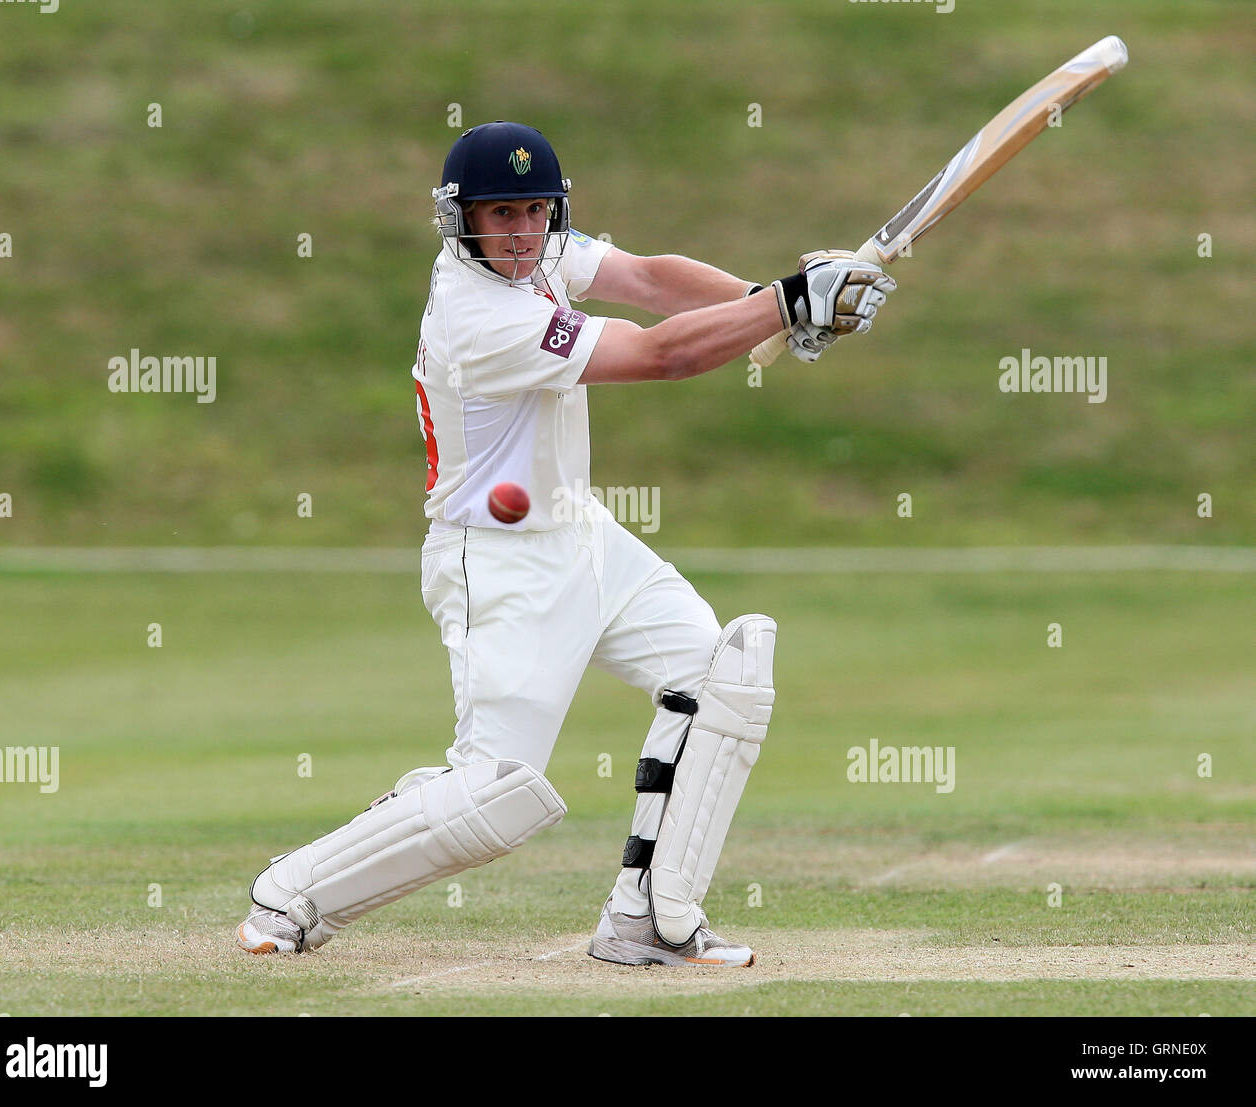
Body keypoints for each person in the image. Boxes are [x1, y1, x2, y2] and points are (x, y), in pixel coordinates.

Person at [236, 121, 894, 965]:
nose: (519, 231)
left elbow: (650, 279)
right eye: (499, 213)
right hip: (497, 561)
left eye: (534, 210)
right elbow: (659, 356)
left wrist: (781, 298)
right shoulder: (478, 316)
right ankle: (291, 893)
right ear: (459, 220)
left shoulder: (541, 249)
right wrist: (789, 302)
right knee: (496, 796)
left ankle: (650, 919)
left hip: (583, 532)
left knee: (717, 675)